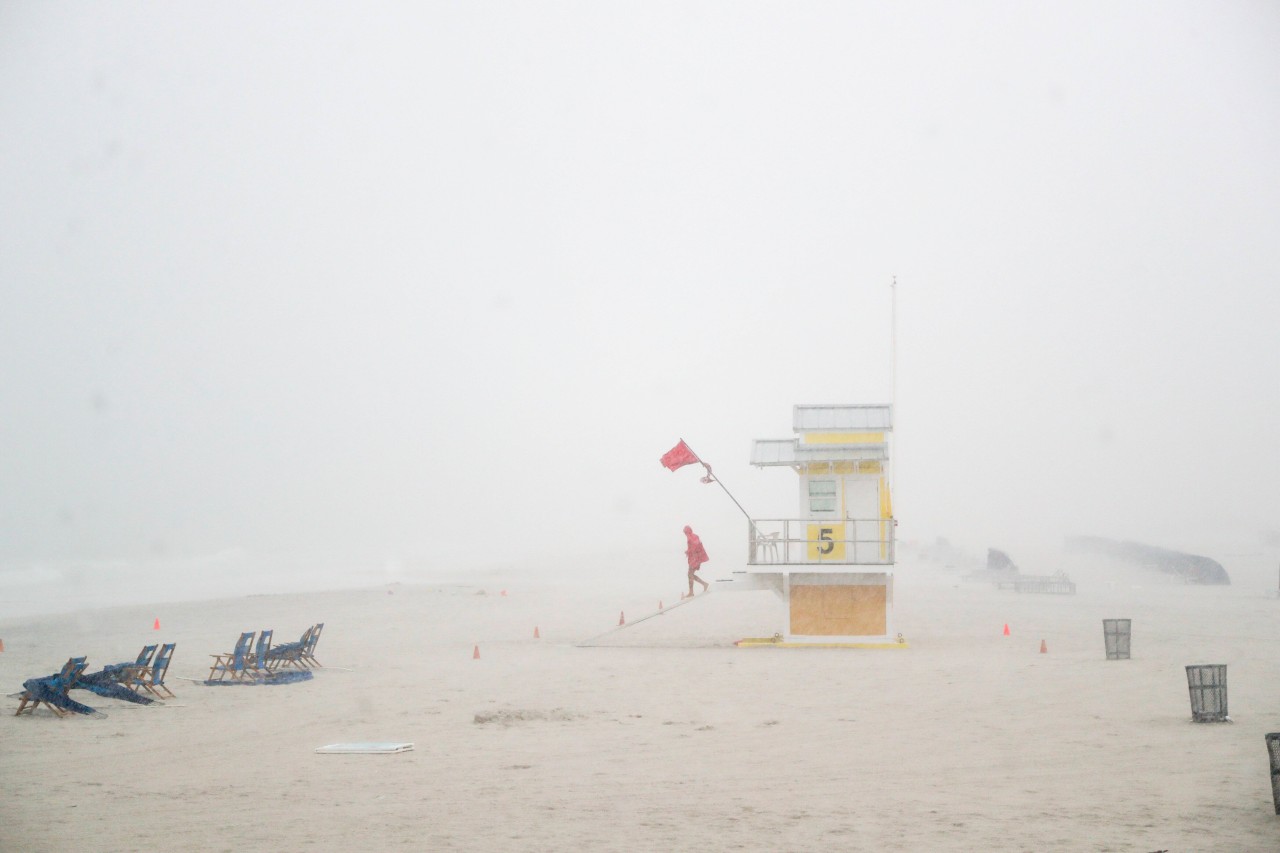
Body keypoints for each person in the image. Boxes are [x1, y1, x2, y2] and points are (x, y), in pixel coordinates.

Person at [684, 525, 710, 597]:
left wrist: (689, 552)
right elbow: (697, 546)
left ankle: (692, 592)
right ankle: (704, 584)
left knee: (690, 574)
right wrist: (688, 551)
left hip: (695, 559)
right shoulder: (695, 536)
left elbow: (694, 547)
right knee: (690, 574)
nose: (685, 534)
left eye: (685, 532)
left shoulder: (690, 538)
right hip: (697, 558)